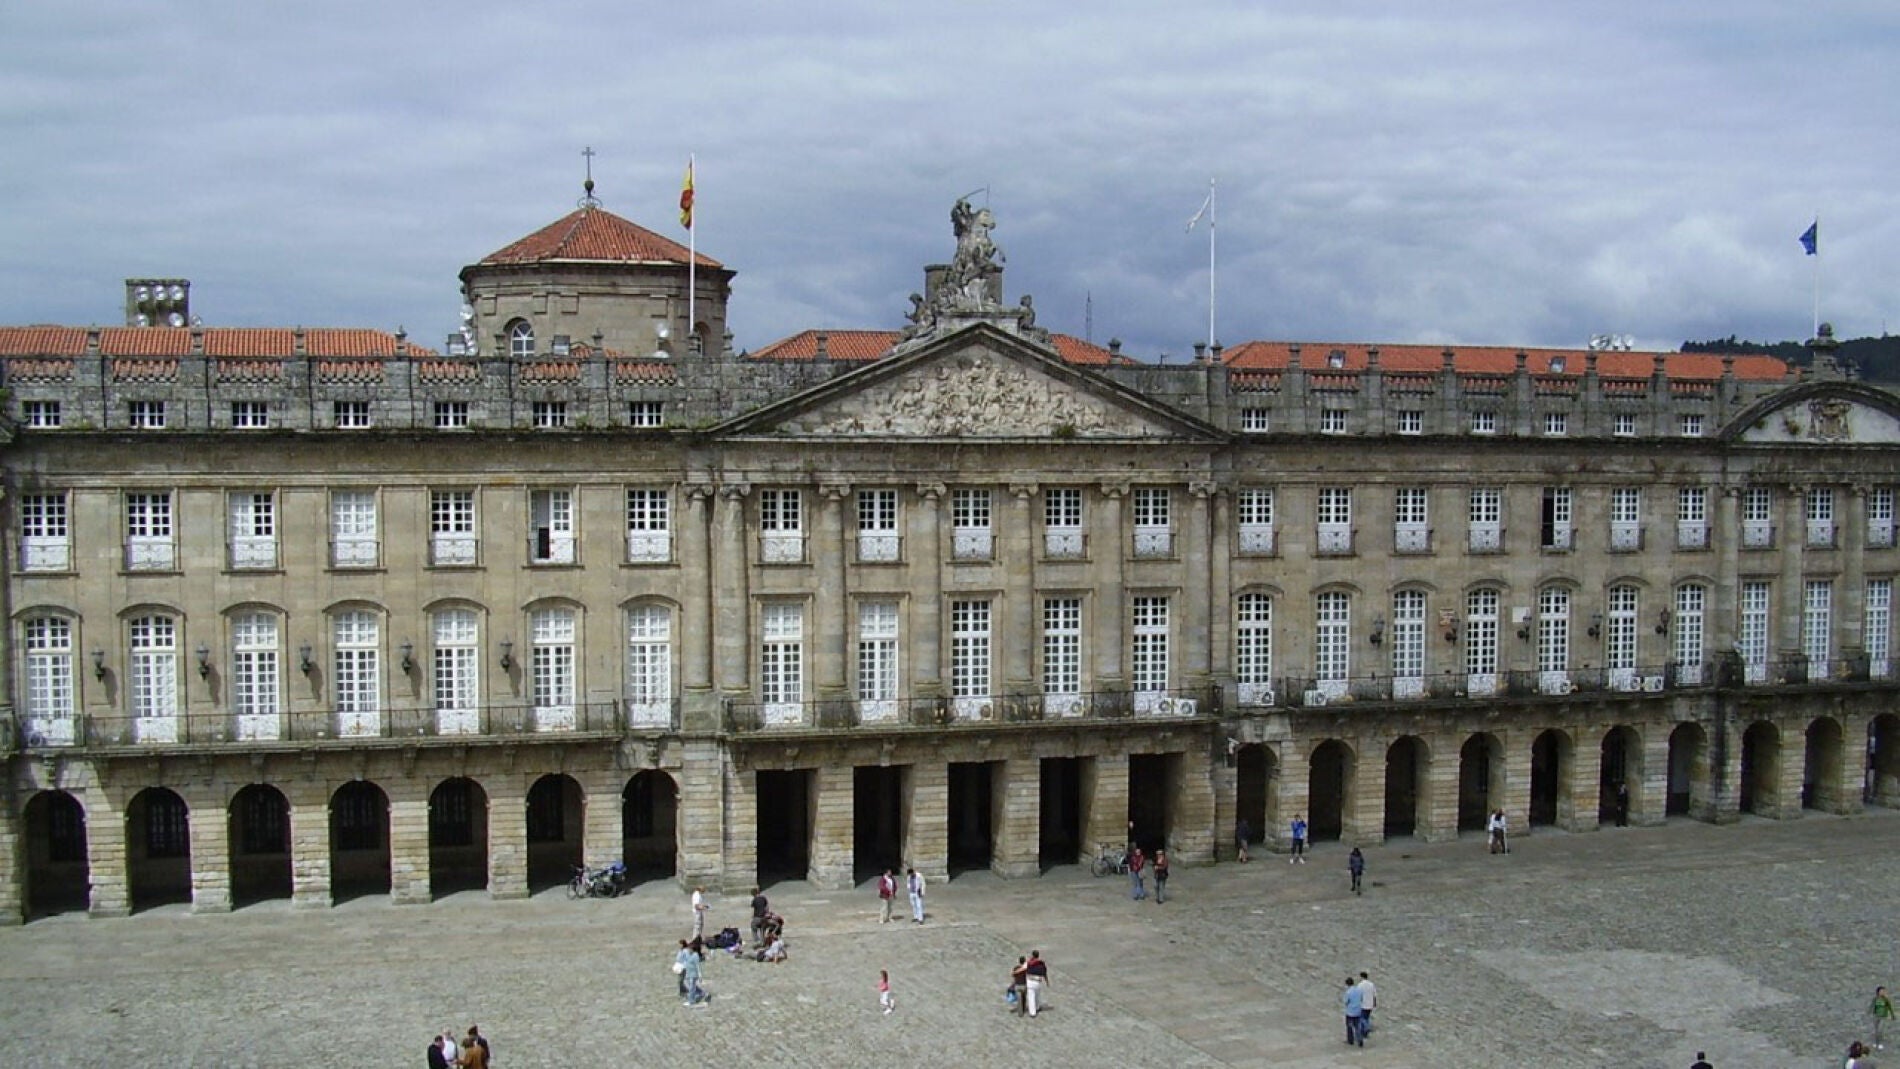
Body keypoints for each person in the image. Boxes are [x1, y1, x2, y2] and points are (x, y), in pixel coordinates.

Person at [1342, 975, 1366, 1046]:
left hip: (1350, 1012)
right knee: (1357, 1026)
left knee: (1349, 1027)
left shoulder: (1348, 992)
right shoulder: (1359, 990)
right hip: (1358, 1011)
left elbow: (1345, 1001)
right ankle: (1360, 1039)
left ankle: (1350, 1040)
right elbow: (1362, 998)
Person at [1024, 950, 1049, 1017]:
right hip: (1038, 982)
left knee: (1031, 996)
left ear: (1032, 955)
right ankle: (1037, 1007)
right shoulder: (1041, 963)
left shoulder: (1029, 963)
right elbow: (1044, 973)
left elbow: (1024, 970)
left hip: (1030, 981)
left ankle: (1032, 1012)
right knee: (1037, 995)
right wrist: (1047, 981)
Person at [1872, 985, 1894, 1050]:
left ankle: (1880, 1043)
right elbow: (1873, 1006)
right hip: (1876, 1016)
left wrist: (1892, 1015)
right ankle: (1876, 1042)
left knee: (1880, 1030)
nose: (1882, 992)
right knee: (1876, 1031)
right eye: (1881, 991)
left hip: (1883, 1017)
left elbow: (1890, 1007)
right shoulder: (1875, 999)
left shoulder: (1886, 999)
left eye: (1883, 991)